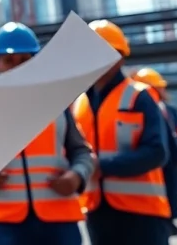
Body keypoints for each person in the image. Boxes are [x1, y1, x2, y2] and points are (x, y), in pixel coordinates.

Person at [0, 22, 93, 245]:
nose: (18, 67)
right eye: (9, 61)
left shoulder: (57, 104)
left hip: (59, 218)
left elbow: (82, 152)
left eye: (25, 60)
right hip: (5, 222)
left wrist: (76, 177)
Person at [73, 20, 171, 245]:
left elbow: (157, 152)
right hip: (97, 212)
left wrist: (103, 167)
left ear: (120, 56)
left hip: (143, 214)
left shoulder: (140, 96)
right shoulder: (80, 103)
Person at [132, 67, 177, 236]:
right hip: (159, 164)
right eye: (158, 87)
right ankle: (166, 222)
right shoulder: (146, 108)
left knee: (174, 191)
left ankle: (171, 220)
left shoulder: (168, 109)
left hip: (173, 162)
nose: (163, 90)